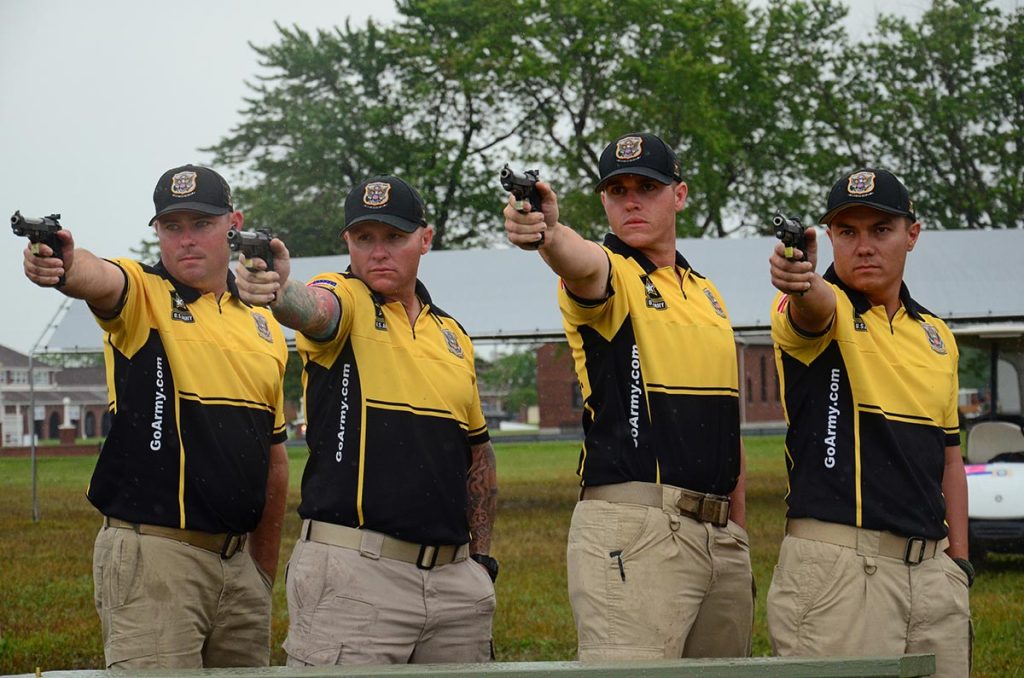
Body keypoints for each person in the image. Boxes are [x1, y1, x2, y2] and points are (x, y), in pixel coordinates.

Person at [20, 164, 290, 669]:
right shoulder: (143, 294)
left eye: (201, 224)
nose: (186, 240)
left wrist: (261, 571)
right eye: (172, 227)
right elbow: (98, 277)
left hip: (239, 571)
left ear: (234, 223)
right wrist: (64, 262)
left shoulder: (266, 327)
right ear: (158, 232)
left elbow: (274, 461)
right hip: (155, 557)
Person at [504, 132, 752, 660]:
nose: (632, 200)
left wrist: (739, 540)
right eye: (617, 190)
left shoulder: (707, 292)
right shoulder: (607, 269)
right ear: (603, 201)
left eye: (648, 187)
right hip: (635, 525)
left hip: (720, 536)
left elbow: (730, 434)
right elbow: (578, 260)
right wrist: (546, 233)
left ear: (679, 195)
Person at [234, 175, 498, 666]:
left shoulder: (454, 335)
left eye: (394, 238)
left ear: (425, 239)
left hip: (456, 585)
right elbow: (313, 309)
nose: (379, 252)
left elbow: (478, 452)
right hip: (355, 575)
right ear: (347, 243)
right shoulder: (346, 297)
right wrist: (276, 289)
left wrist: (480, 560)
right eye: (364, 238)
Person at [766, 168, 971, 676]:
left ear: (912, 235)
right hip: (840, 570)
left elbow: (950, 457)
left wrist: (958, 565)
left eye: (881, 230)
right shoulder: (820, 305)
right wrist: (801, 279)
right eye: (847, 232)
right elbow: (810, 308)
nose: (864, 246)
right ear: (830, 237)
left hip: (933, 573)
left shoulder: (937, 335)